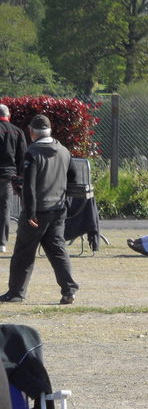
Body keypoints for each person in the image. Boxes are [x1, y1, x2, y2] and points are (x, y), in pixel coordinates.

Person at [0, 114, 79, 305]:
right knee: (57, 250)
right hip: (58, 209)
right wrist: (63, 198)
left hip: (38, 210)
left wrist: (30, 212)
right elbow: (74, 179)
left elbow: (30, 185)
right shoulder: (63, 150)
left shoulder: (33, 152)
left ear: (32, 132)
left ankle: (16, 292)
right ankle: (69, 289)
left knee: (23, 253)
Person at [0, 104, 27, 252]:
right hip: (8, 175)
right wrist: (20, 178)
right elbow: (22, 157)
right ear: (8, 116)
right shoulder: (17, 132)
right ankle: (2, 242)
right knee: (4, 207)